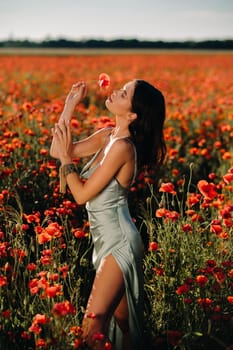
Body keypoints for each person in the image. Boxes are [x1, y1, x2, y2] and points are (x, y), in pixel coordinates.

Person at [50, 79, 166, 350]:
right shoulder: (107, 136)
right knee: (124, 325)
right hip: (104, 240)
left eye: (123, 93)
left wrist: (68, 163)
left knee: (93, 323)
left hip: (119, 242)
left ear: (133, 114)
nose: (115, 91)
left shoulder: (123, 148)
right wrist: (70, 105)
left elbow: (80, 195)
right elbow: (58, 150)